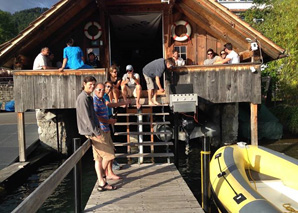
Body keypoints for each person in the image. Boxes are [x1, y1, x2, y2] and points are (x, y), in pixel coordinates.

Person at [76, 76, 116, 191]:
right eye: (90, 84)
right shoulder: (83, 98)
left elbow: (92, 116)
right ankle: (101, 179)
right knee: (109, 155)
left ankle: (102, 182)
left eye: (94, 84)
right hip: (93, 132)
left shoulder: (88, 97)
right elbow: (86, 118)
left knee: (98, 158)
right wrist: (97, 132)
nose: (92, 87)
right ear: (84, 84)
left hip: (94, 130)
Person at [93, 83, 122, 180]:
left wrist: (122, 103)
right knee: (108, 155)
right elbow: (97, 117)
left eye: (102, 90)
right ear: (95, 90)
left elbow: (109, 104)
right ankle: (101, 177)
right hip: (101, 130)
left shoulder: (102, 99)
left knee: (111, 151)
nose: (102, 91)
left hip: (106, 128)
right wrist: (109, 121)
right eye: (99, 90)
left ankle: (108, 173)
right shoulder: (95, 101)